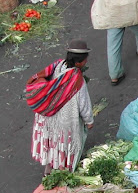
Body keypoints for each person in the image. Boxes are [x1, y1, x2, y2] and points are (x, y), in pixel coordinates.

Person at [26, 39, 93, 175]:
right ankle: (64, 169)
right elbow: (84, 103)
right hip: (64, 118)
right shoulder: (76, 79)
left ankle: (49, 170)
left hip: (46, 114)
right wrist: (89, 120)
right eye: (85, 59)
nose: (86, 62)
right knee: (63, 143)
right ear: (80, 62)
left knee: (51, 142)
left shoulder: (57, 65)